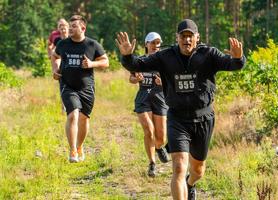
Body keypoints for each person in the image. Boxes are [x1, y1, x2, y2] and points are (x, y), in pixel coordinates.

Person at [116, 19, 245, 200]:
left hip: (203, 118)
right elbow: (137, 65)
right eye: (183, 36)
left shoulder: (209, 54)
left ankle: (190, 183)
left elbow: (233, 65)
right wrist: (127, 57)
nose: (187, 40)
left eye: (190, 36)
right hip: (177, 119)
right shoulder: (165, 56)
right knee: (178, 166)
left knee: (198, 170)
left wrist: (239, 58)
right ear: (177, 38)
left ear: (197, 37)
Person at [51, 15, 109, 163]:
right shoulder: (63, 44)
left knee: (84, 119)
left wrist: (91, 64)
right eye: (70, 26)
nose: (70, 29)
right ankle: (72, 150)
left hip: (87, 88)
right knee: (73, 115)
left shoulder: (92, 45)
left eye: (74, 26)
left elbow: (105, 62)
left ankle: (79, 146)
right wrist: (56, 69)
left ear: (83, 28)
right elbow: (55, 56)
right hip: (67, 86)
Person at [129, 32, 169, 177]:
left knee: (161, 137)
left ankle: (159, 147)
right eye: (152, 43)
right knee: (149, 130)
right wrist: (136, 78)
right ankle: (152, 163)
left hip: (160, 98)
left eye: (158, 43)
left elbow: (173, 82)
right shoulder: (140, 61)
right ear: (146, 44)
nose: (155, 46)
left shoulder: (165, 62)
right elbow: (131, 79)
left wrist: (163, 82)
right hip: (143, 97)